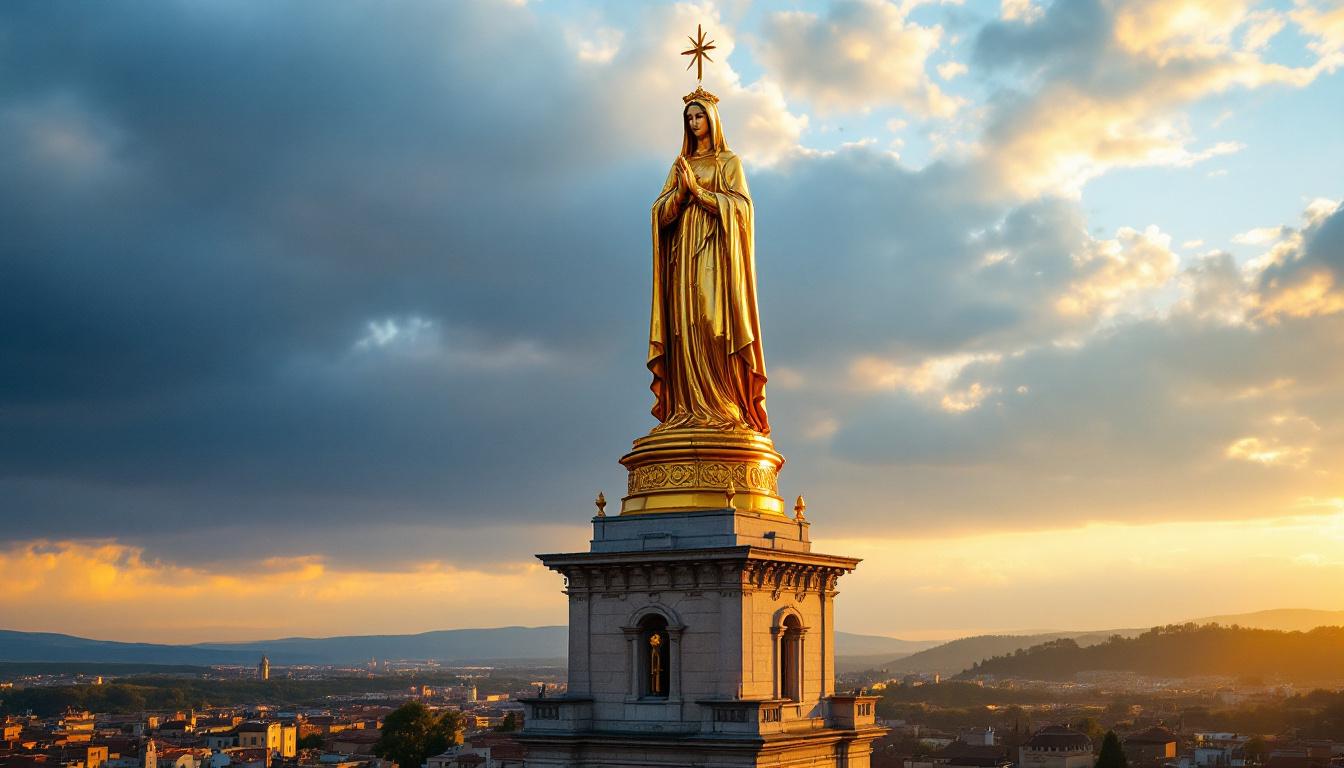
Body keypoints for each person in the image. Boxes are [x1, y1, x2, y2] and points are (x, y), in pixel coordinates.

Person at [647, 88, 770, 435]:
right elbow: (659, 213)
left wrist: (700, 194)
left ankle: (723, 406)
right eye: (689, 118)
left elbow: (742, 208)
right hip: (683, 259)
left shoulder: (729, 162)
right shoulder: (681, 165)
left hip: (716, 256)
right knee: (684, 330)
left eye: (699, 116)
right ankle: (686, 408)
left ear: (712, 119)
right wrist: (680, 195)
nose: (694, 122)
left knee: (713, 325)